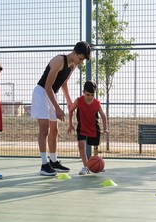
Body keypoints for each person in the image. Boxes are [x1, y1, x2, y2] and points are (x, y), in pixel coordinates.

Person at [31, 41, 92, 176]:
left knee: (54, 130)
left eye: (83, 60)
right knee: (44, 129)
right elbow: (47, 85)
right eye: (80, 58)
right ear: (74, 52)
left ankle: (53, 161)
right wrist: (58, 108)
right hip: (41, 93)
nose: (81, 62)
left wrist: (69, 101)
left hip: (52, 94)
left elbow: (64, 83)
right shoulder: (59, 60)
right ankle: (44, 164)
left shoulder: (73, 65)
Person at [67, 80, 108, 175]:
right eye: (88, 94)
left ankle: (97, 163)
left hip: (94, 127)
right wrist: (70, 124)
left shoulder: (97, 103)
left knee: (95, 147)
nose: (90, 97)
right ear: (83, 92)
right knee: (81, 145)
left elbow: (103, 116)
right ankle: (86, 166)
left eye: (92, 95)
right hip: (82, 127)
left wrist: (105, 128)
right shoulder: (79, 101)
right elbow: (70, 111)